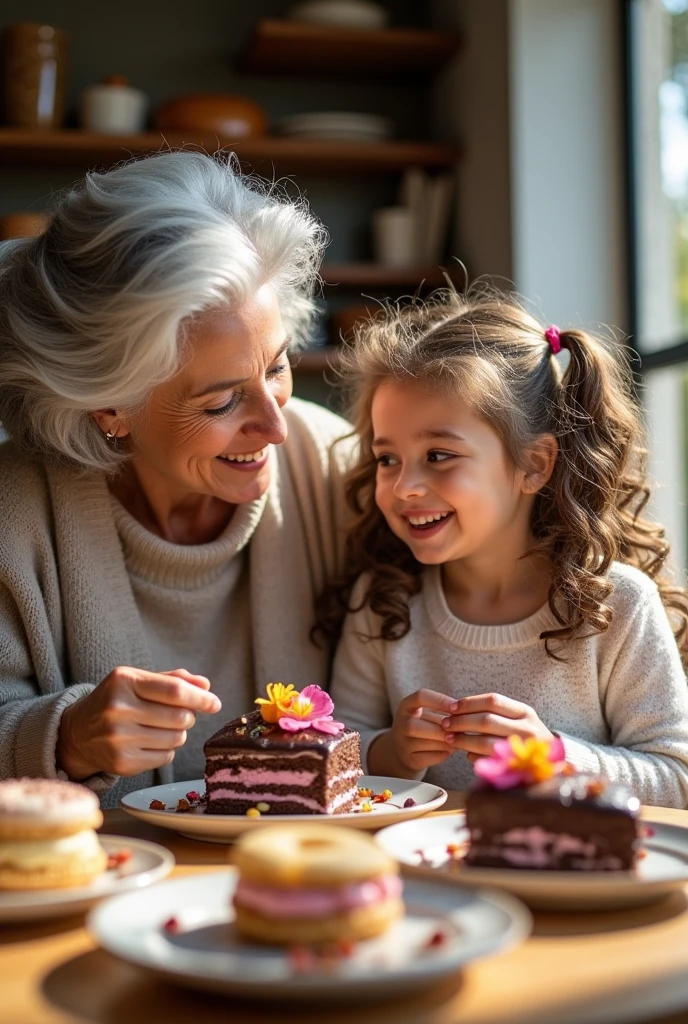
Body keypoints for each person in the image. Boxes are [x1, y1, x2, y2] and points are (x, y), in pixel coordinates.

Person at [0, 151, 354, 807]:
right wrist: (67, 738)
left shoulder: (338, 468)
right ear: (110, 405)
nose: (276, 427)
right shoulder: (13, 512)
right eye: (221, 403)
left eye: (277, 369)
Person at [326, 288, 688, 806]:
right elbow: (337, 755)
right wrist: (392, 753)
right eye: (388, 459)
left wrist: (555, 756)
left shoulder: (618, 606)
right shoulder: (384, 601)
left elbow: (677, 779)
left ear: (534, 465)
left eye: (438, 454)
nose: (404, 486)